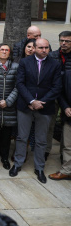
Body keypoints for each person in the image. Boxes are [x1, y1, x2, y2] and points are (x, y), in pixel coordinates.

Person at [10, 38, 62, 184]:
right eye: (40, 47)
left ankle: (39, 168)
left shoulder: (55, 64)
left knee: (41, 140)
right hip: (26, 106)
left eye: (46, 47)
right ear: (34, 48)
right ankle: (18, 164)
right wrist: (31, 101)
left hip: (45, 108)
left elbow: (57, 87)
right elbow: (19, 83)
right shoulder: (25, 62)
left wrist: (41, 103)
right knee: (21, 137)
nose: (44, 50)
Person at [49, 31, 71, 180]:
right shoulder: (53, 56)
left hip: (67, 97)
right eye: (62, 40)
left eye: (67, 41)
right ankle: (65, 163)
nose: (64, 43)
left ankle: (66, 166)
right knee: (59, 129)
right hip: (58, 97)